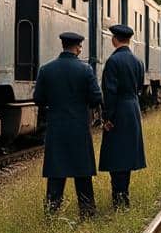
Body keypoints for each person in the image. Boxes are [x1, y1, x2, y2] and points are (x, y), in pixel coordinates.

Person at [34, 31, 102, 217]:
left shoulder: (46, 70)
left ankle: (52, 213)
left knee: (56, 172)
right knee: (83, 173)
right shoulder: (86, 70)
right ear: (78, 48)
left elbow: (38, 98)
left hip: (56, 128)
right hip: (79, 128)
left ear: (63, 46)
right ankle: (87, 212)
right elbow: (96, 98)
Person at [99, 24, 146, 210]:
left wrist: (107, 117)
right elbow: (139, 87)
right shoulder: (137, 61)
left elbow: (110, 91)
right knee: (126, 155)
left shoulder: (113, 61)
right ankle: (124, 195)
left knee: (115, 155)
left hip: (118, 110)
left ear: (114, 39)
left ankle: (118, 198)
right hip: (133, 109)